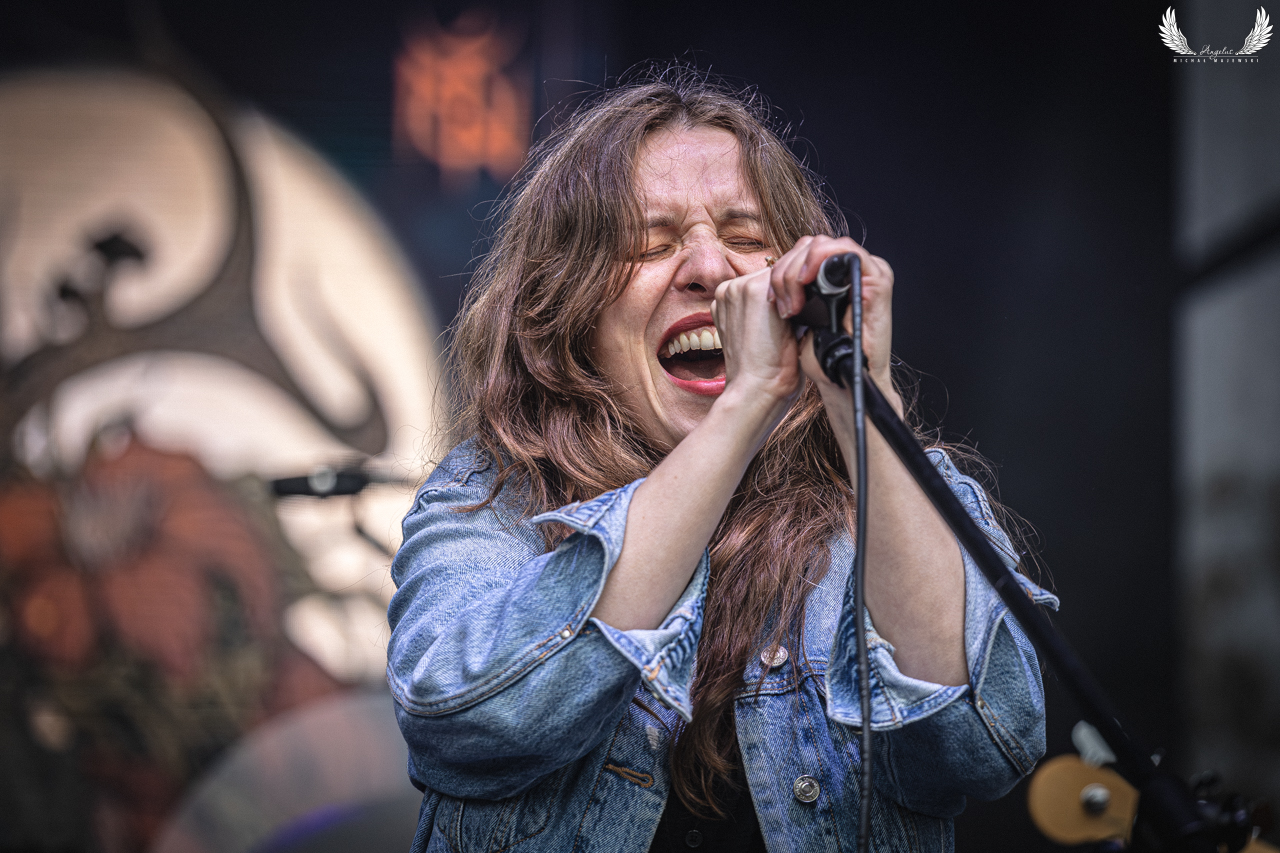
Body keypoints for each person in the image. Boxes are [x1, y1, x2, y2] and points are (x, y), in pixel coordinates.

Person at [387, 69, 1057, 853]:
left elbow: (981, 744)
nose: (710, 269)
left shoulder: (897, 494)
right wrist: (744, 405)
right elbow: (467, 721)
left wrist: (864, 396)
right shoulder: (489, 497)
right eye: (651, 243)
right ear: (565, 307)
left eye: (745, 238)